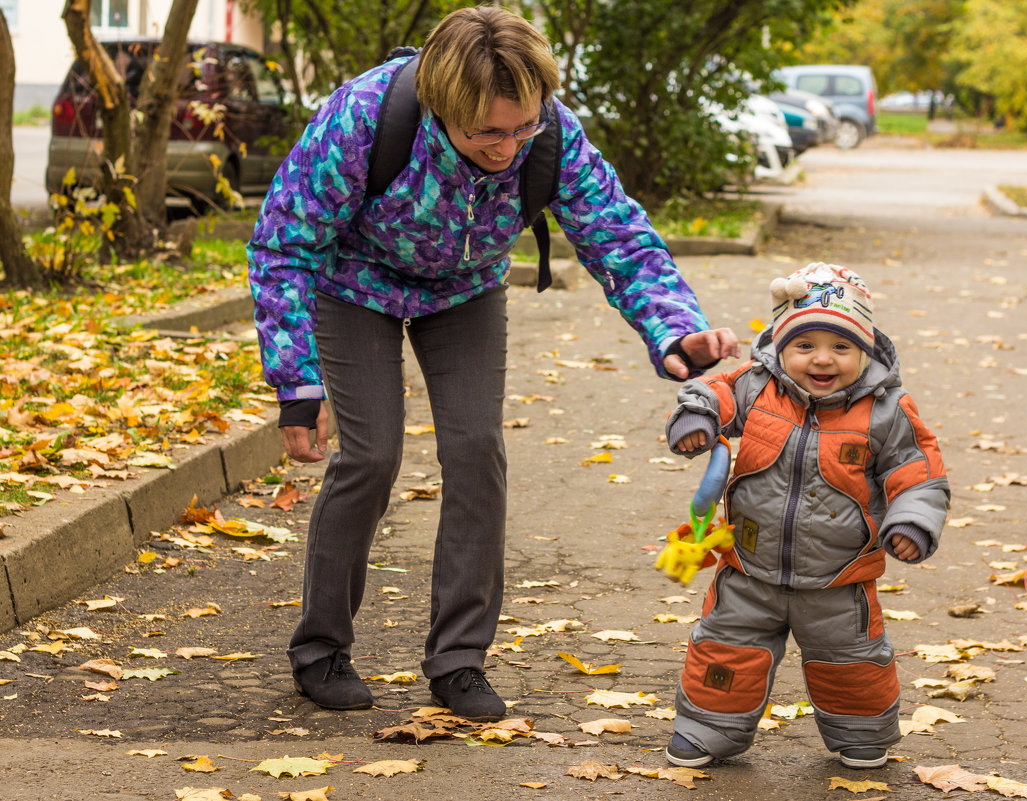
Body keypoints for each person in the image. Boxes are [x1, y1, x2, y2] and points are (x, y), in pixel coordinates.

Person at [246, 5, 739, 722]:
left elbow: (617, 236)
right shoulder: (364, 117)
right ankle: (320, 646)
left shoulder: (552, 134)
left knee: (477, 450)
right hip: (353, 286)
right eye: (487, 133)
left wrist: (676, 331)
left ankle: (459, 659)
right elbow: (284, 241)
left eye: (522, 128)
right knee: (371, 455)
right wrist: (295, 382)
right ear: (444, 109)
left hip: (464, 290)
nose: (508, 148)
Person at [661, 262, 950, 769]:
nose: (822, 360)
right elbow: (712, 392)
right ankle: (708, 726)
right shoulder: (755, 386)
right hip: (748, 568)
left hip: (839, 578)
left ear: (866, 351)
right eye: (805, 346)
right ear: (781, 347)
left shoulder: (885, 410)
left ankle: (861, 733)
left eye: (841, 347)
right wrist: (696, 418)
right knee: (726, 650)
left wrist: (911, 521)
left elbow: (918, 471)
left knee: (851, 662)